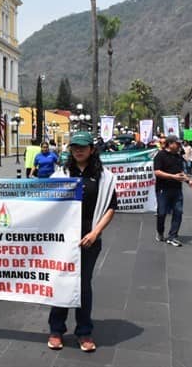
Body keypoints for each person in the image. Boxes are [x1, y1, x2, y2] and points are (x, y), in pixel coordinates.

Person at [47, 131, 117, 353]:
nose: (78, 150)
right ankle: (56, 330)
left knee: (83, 285)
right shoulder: (61, 175)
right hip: (64, 241)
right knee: (61, 281)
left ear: (92, 150)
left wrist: (95, 232)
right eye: (75, 146)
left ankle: (84, 332)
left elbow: (110, 207)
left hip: (89, 239)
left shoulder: (104, 177)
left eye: (83, 147)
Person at [153, 135, 191, 247]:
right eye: (177, 143)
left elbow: (180, 172)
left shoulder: (178, 157)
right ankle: (160, 232)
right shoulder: (160, 155)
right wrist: (173, 176)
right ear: (170, 144)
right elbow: (157, 172)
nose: (179, 146)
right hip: (163, 189)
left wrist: (187, 180)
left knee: (178, 212)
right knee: (162, 213)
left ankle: (173, 236)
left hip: (177, 189)